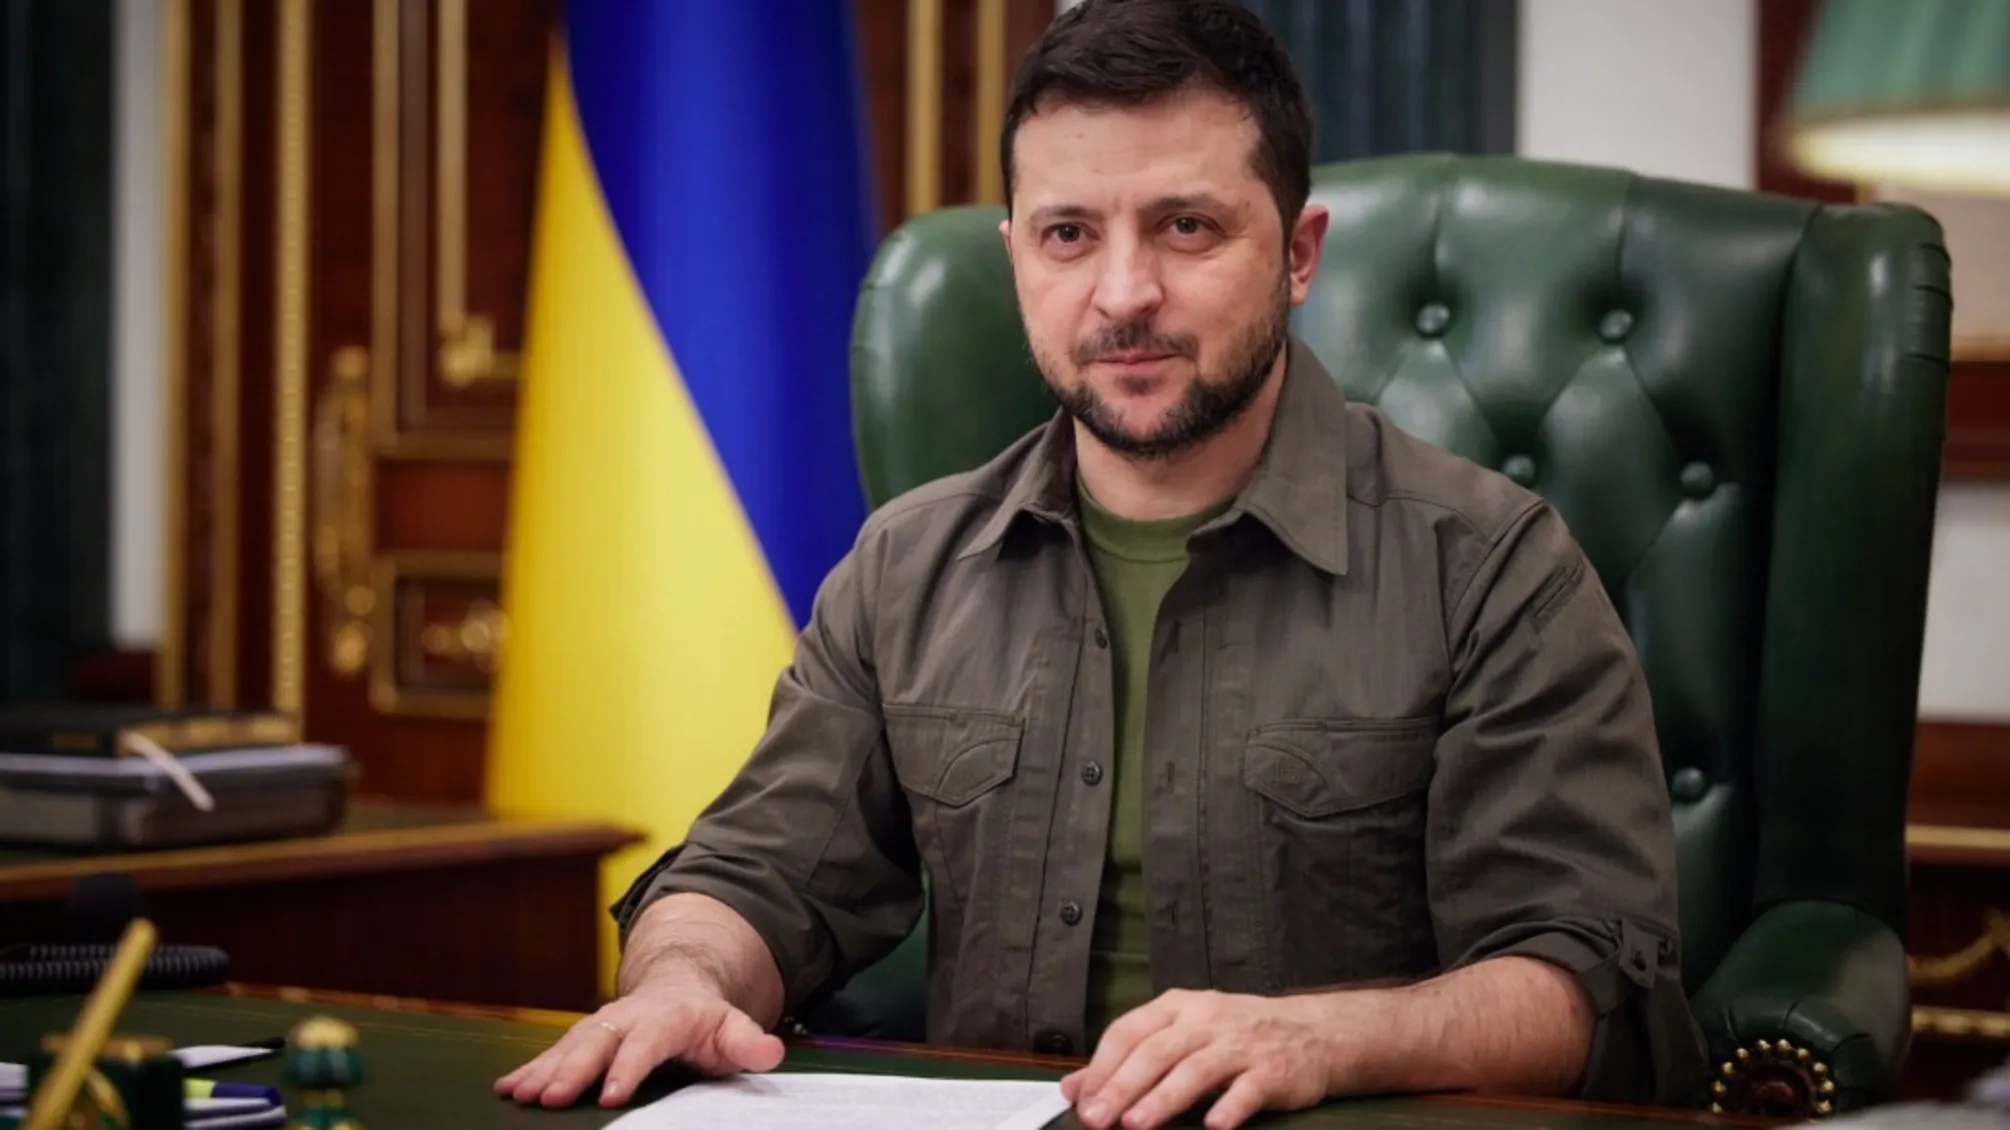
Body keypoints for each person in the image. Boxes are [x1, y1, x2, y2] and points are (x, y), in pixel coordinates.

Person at [497, 1, 1709, 1127]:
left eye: (1187, 227)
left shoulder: (1491, 568)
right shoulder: (908, 564)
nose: (1123, 294)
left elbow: (1586, 986)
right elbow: (756, 871)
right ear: (1017, 254)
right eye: (1069, 235)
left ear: (1298, 254)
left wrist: (1327, 1037)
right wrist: (682, 977)